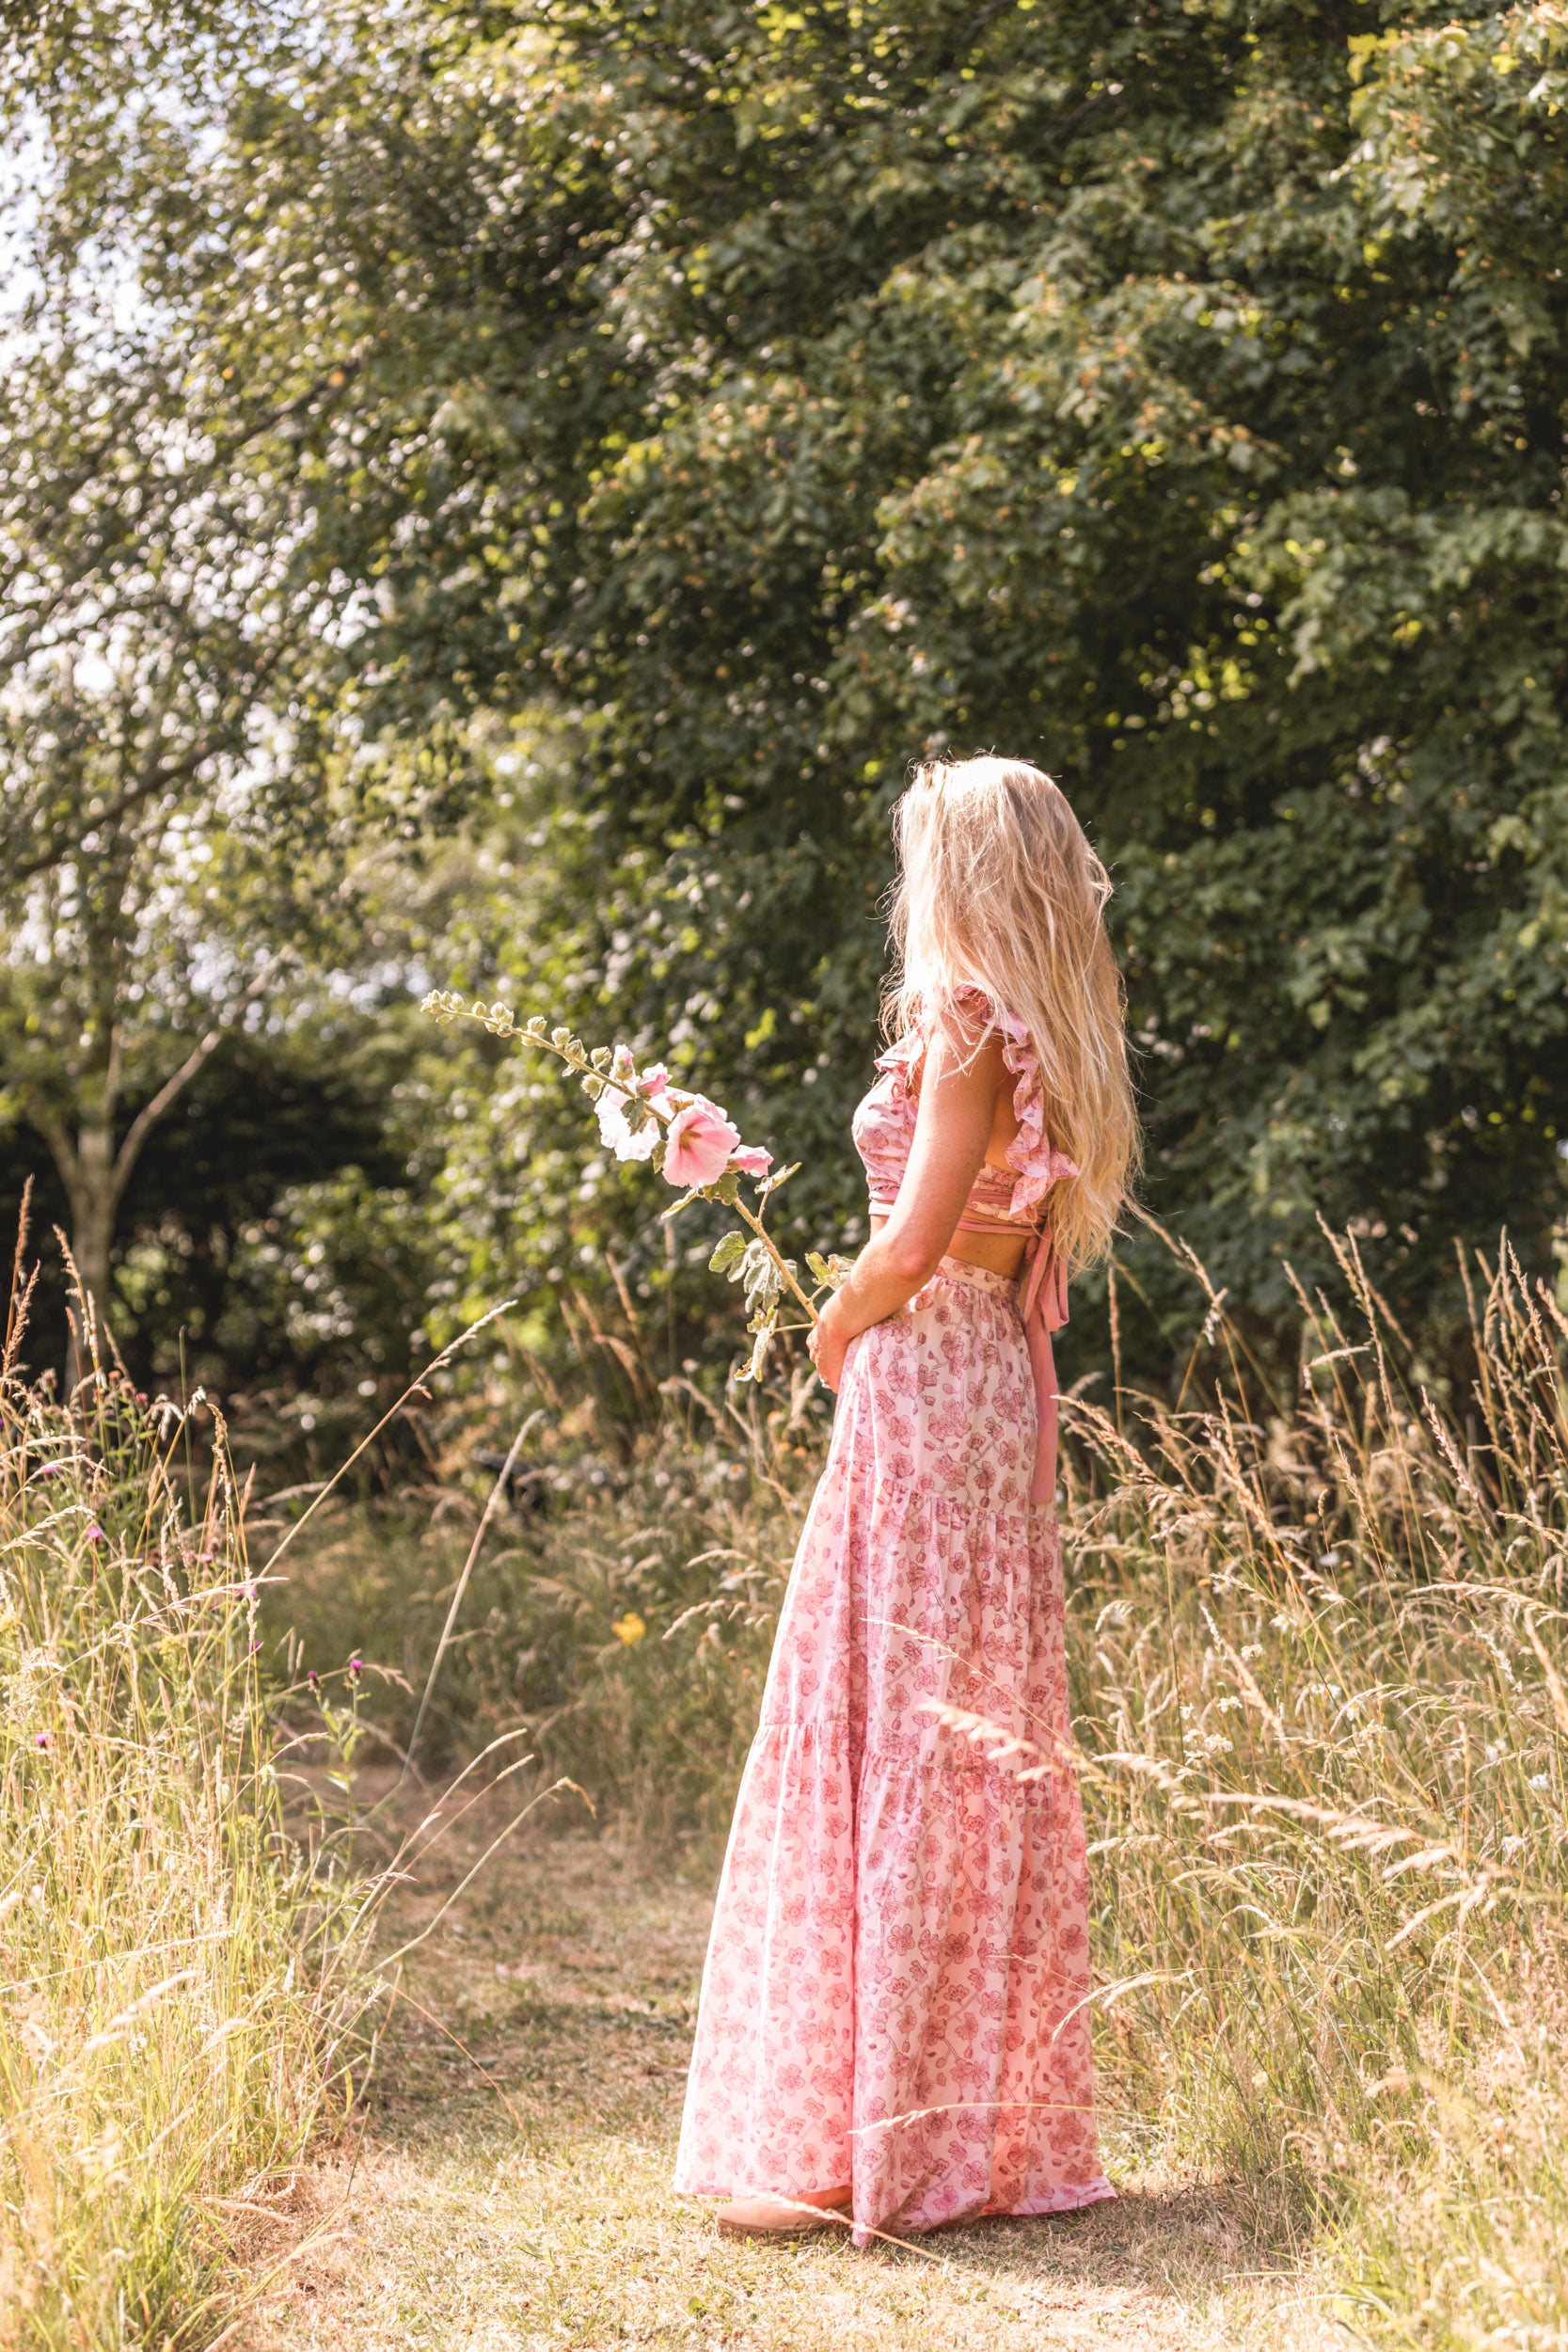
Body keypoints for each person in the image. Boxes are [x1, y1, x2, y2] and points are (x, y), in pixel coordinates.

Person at [673, 755, 1140, 2247]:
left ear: (964, 870)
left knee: (888, 1722)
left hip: (931, 1377)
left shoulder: (962, 1024)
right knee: (961, 1738)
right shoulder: (1050, 1035)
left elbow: (921, 1234)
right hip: (995, 1389)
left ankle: (858, 2146)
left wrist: (831, 1320)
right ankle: (938, 2133)